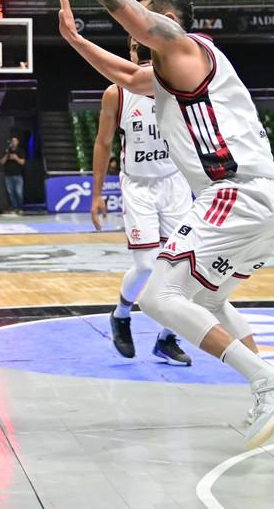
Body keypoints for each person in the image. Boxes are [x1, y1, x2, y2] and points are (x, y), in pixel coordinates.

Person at [43, 0, 274, 450]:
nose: (138, 28)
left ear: (168, 25)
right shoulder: (167, 76)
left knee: (159, 297)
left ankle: (270, 379)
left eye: (148, 20)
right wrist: (75, 40)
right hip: (262, 198)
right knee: (209, 302)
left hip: (236, 192)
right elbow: (125, 76)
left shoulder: (185, 49)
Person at [90, 36, 194, 366]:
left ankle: (167, 337)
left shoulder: (180, 86)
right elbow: (103, 144)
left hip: (175, 183)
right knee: (148, 264)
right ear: (131, 52)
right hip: (138, 185)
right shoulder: (117, 93)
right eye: (138, 47)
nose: (144, 52)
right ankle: (121, 315)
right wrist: (96, 194)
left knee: (183, 266)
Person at [0, 134, 25, 213]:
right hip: (8, 175)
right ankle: (14, 207)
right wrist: (7, 156)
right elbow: (2, 162)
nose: (14, 142)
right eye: (12, 141)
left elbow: (22, 162)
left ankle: (20, 208)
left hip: (18, 175)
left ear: (17, 142)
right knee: (11, 193)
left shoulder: (20, 151)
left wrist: (16, 158)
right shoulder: (7, 151)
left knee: (19, 192)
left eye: (15, 141)